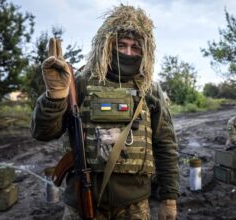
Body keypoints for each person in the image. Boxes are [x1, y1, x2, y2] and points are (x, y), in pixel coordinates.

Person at [31, 5, 179, 220]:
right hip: (81, 200)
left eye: (136, 47)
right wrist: (54, 96)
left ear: (145, 51)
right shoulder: (79, 82)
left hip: (134, 206)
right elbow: (43, 133)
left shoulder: (150, 89)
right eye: (121, 45)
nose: (128, 53)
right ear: (107, 45)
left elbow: (165, 144)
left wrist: (169, 198)